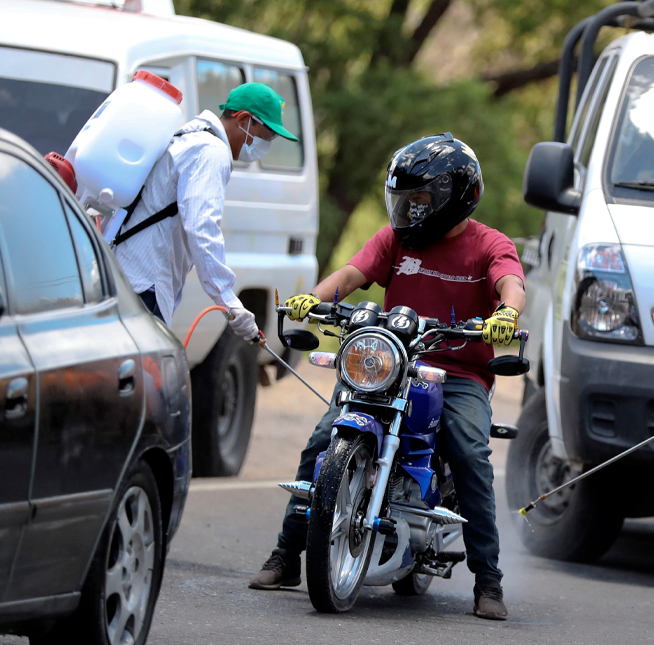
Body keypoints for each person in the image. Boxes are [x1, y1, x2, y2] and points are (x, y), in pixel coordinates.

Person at [248, 133, 524, 621]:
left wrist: (506, 313)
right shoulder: (394, 240)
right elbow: (351, 275)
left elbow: (510, 282)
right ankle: (287, 556)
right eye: (405, 201)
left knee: (468, 451)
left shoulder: (489, 244)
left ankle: (489, 581)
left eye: (421, 201)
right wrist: (314, 298)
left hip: (454, 373)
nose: (411, 211)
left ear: (455, 196)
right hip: (388, 361)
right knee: (319, 444)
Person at [104, 82, 298, 339]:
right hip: (144, 287)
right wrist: (230, 303)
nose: (266, 145)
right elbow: (202, 228)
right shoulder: (212, 152)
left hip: (127, 277)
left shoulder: (190, 138)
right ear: (244, 120)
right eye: (267, 136)